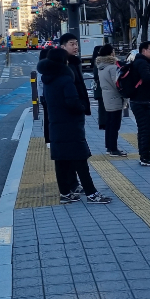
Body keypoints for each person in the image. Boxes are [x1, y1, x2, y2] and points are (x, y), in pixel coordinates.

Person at [38, 47, 111, 205]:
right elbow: (72, 102)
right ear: (62, 61)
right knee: (80, 159)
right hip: (70, 125)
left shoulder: (47, 79)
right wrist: (82, 107)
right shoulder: (65, 79)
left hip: (56, 125)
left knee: (61, 161)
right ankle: (92, 193)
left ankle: (65, 194)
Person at [60, 33, 91, 195]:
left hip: (76, 114)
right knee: (75, 152)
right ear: (63, 47)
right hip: (70, 116)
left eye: (76, 44)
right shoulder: (64, 66)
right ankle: (74, 184)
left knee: (73, 151)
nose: (75, 47)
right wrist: (79, 107)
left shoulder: (73, 63)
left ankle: (73, 183)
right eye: (71, 44)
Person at [130, 41, 150, 167]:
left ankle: (144, 155)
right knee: (146, 130)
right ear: (144, 51)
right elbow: (147, 79)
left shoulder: (139, 62)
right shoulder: (142, 63)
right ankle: (145, 157)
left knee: (143, 129)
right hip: (141, 102)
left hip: (138, 101)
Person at [96, 44, 127, 157]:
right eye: (113, 51)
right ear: (111, 53)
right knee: (115, 124)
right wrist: (125, 92)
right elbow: (117, 83)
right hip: (115, 97)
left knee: (109, 124)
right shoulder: (113, 67)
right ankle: (113, 148)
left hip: (107, 97)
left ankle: (109, 147)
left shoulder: (101, 66)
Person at [91, 46, 108, 131]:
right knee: (103, 106)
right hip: (102, 88)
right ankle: (103, 122)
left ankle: (102, 122)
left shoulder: (96, 61)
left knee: (102, 106)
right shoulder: (99, 62)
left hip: (99, 88)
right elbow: (96, 75)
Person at [37, 48, 50, 146]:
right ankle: (49, 138)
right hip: (46, 95)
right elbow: (41, 83)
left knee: (47, 117)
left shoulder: (40, 67)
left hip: (43, 95)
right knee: (49, 117)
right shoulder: (44, 67)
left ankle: (48, 139)